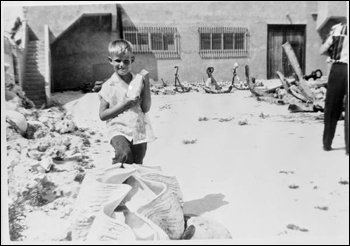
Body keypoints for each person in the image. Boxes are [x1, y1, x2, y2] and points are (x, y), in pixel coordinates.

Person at [99, 39, 155, 165]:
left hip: (138, 129)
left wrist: (146, 85)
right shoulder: (109, 86)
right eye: (118, 60)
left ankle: (131, 183)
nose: (122, 65)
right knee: (124, 155)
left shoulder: (138, 82)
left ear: (132, 60)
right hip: (118, 128)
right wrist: (124, 105)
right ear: (110, 61)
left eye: (126, 61)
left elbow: (145, 108)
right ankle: (117, 180)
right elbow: (102, 115)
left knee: (137, 161)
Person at [319, 22, 348, 155]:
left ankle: (327, 144)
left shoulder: (337, 28)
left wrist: (332, 55)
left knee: (331, 108)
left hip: (338, 69)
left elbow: (322, 50)